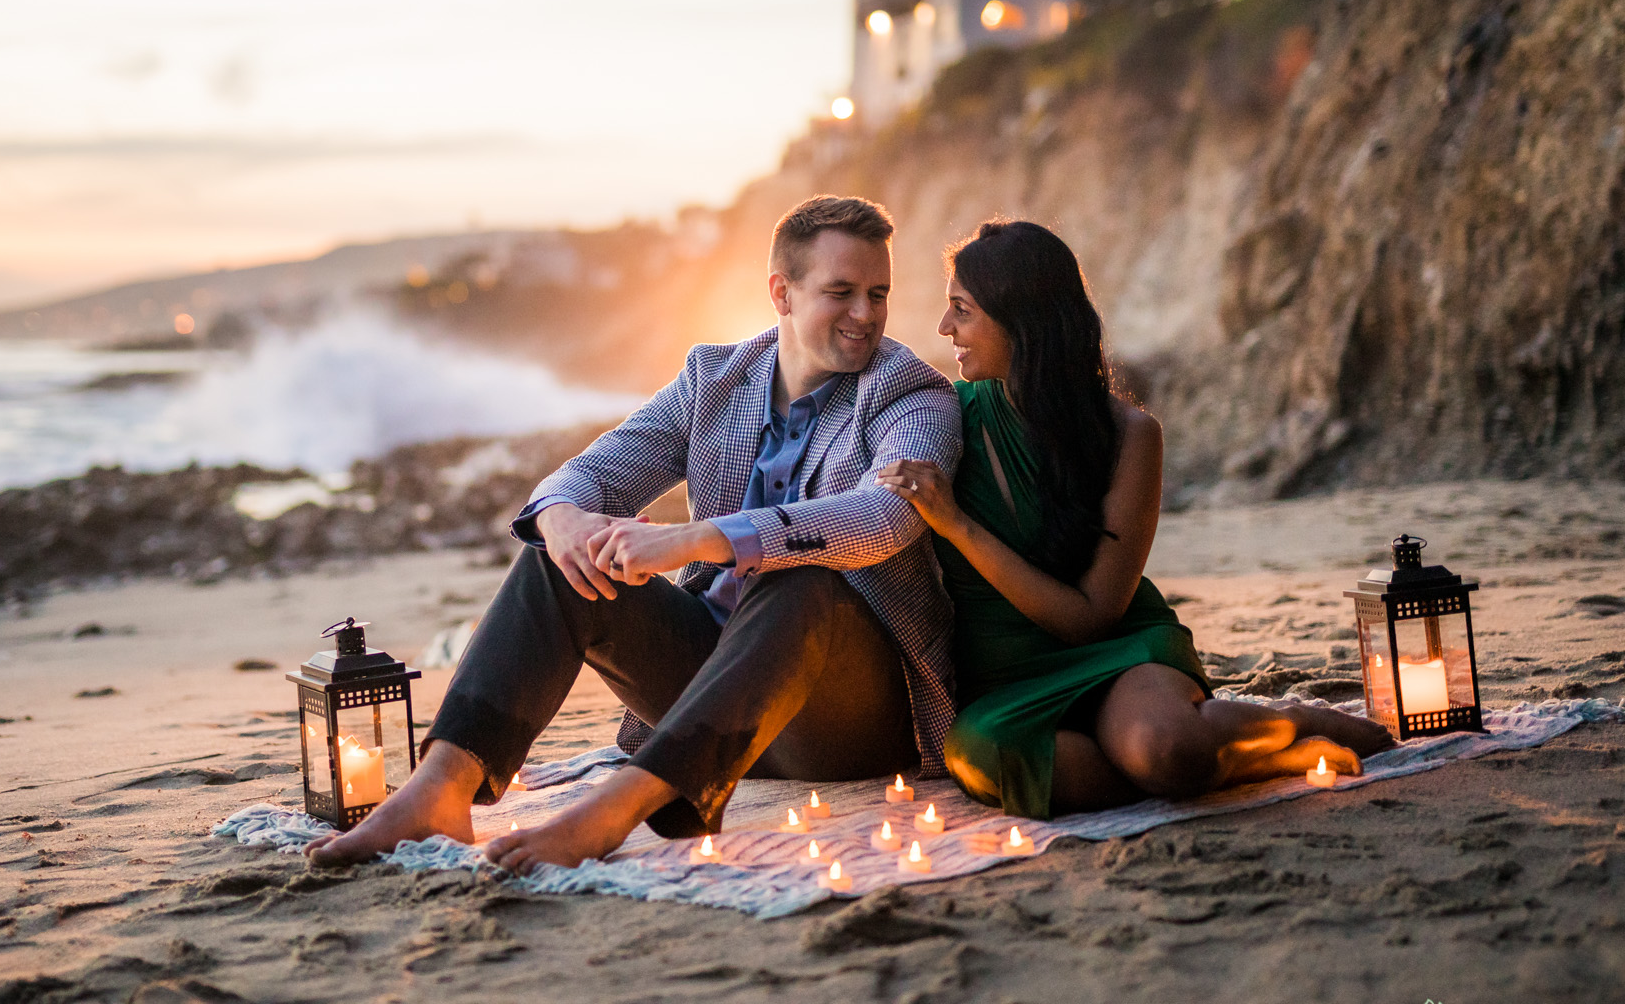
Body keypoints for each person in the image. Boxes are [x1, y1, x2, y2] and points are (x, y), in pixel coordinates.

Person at [310, 195, 963, 870]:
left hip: (842, 714)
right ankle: (439, 790)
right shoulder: (715, 379)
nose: (866, 314)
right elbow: (590, 472)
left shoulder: (910, 395)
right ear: (781, 293)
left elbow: (885, 516)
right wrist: (564, 521)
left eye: (877, 293)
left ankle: (615, 810)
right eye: (841, 292)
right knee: (555, 558)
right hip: (710, 690)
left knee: (799, 580)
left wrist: (694, 538)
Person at [877, 220, 1391, 820]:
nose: (945, 329)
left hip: (1118, 653)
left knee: (1166, 751)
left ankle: (1286, 718)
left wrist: (959, 525)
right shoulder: (942, 418)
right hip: (1005, 682)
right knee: (988, 758)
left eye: (961, 310)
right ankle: (1255, 760)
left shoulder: (1130, 435)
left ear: (1021, 319)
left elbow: (1091, 618)